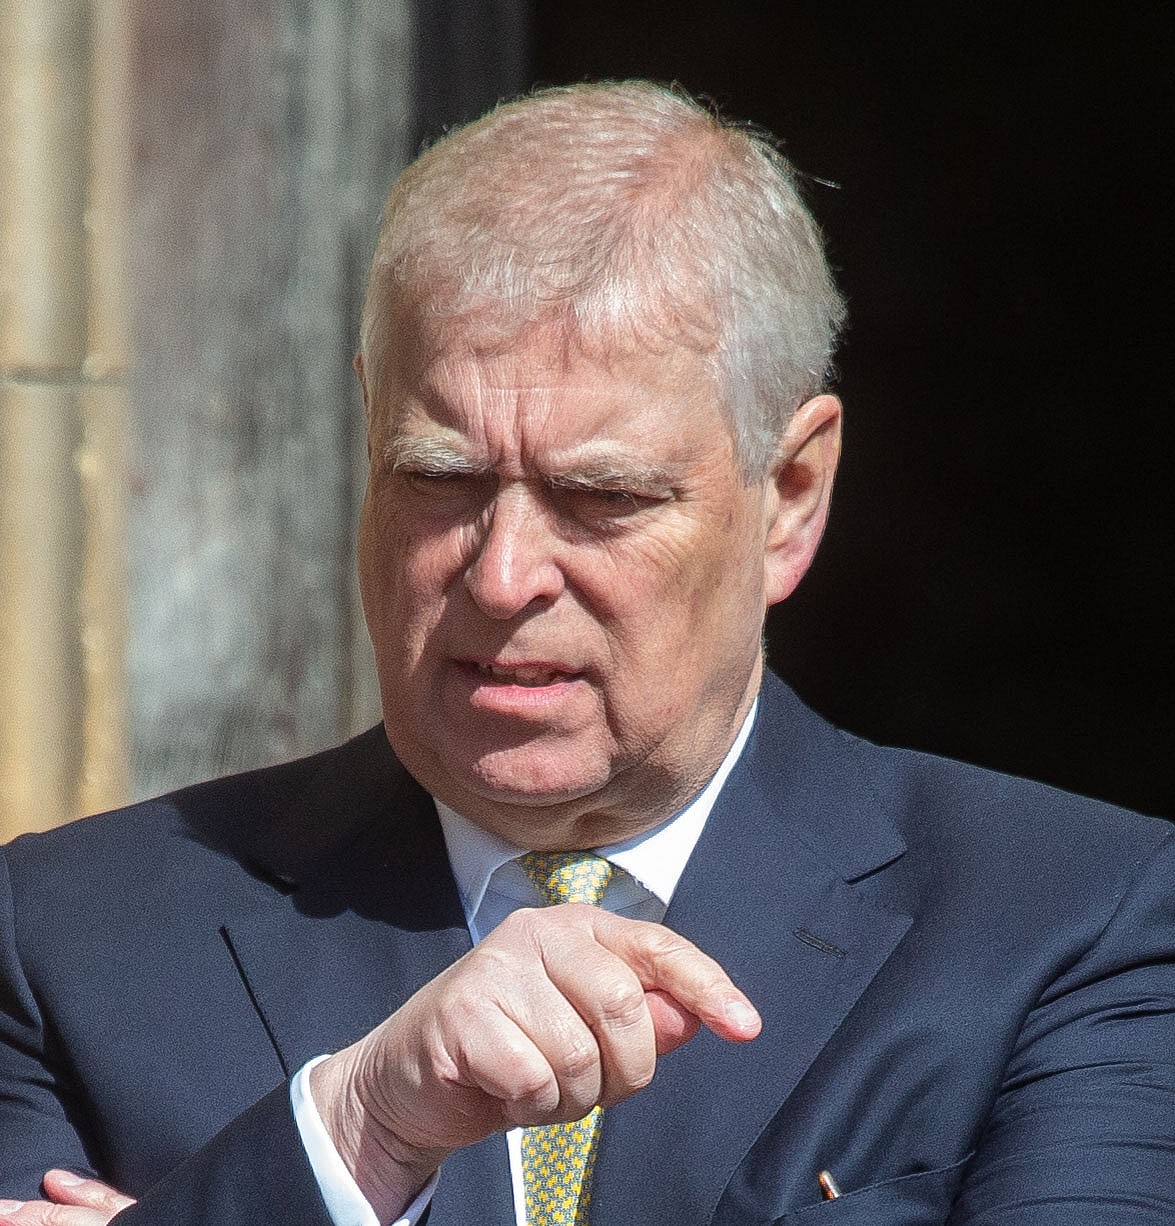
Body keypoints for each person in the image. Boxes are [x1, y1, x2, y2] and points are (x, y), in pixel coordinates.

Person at [1, 79, 1172, 1226]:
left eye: (598, 495)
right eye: (438, 477)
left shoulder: (1068, 928)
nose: (503, 575)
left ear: (790, 496)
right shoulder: (70, 941)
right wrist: (354, 1130)